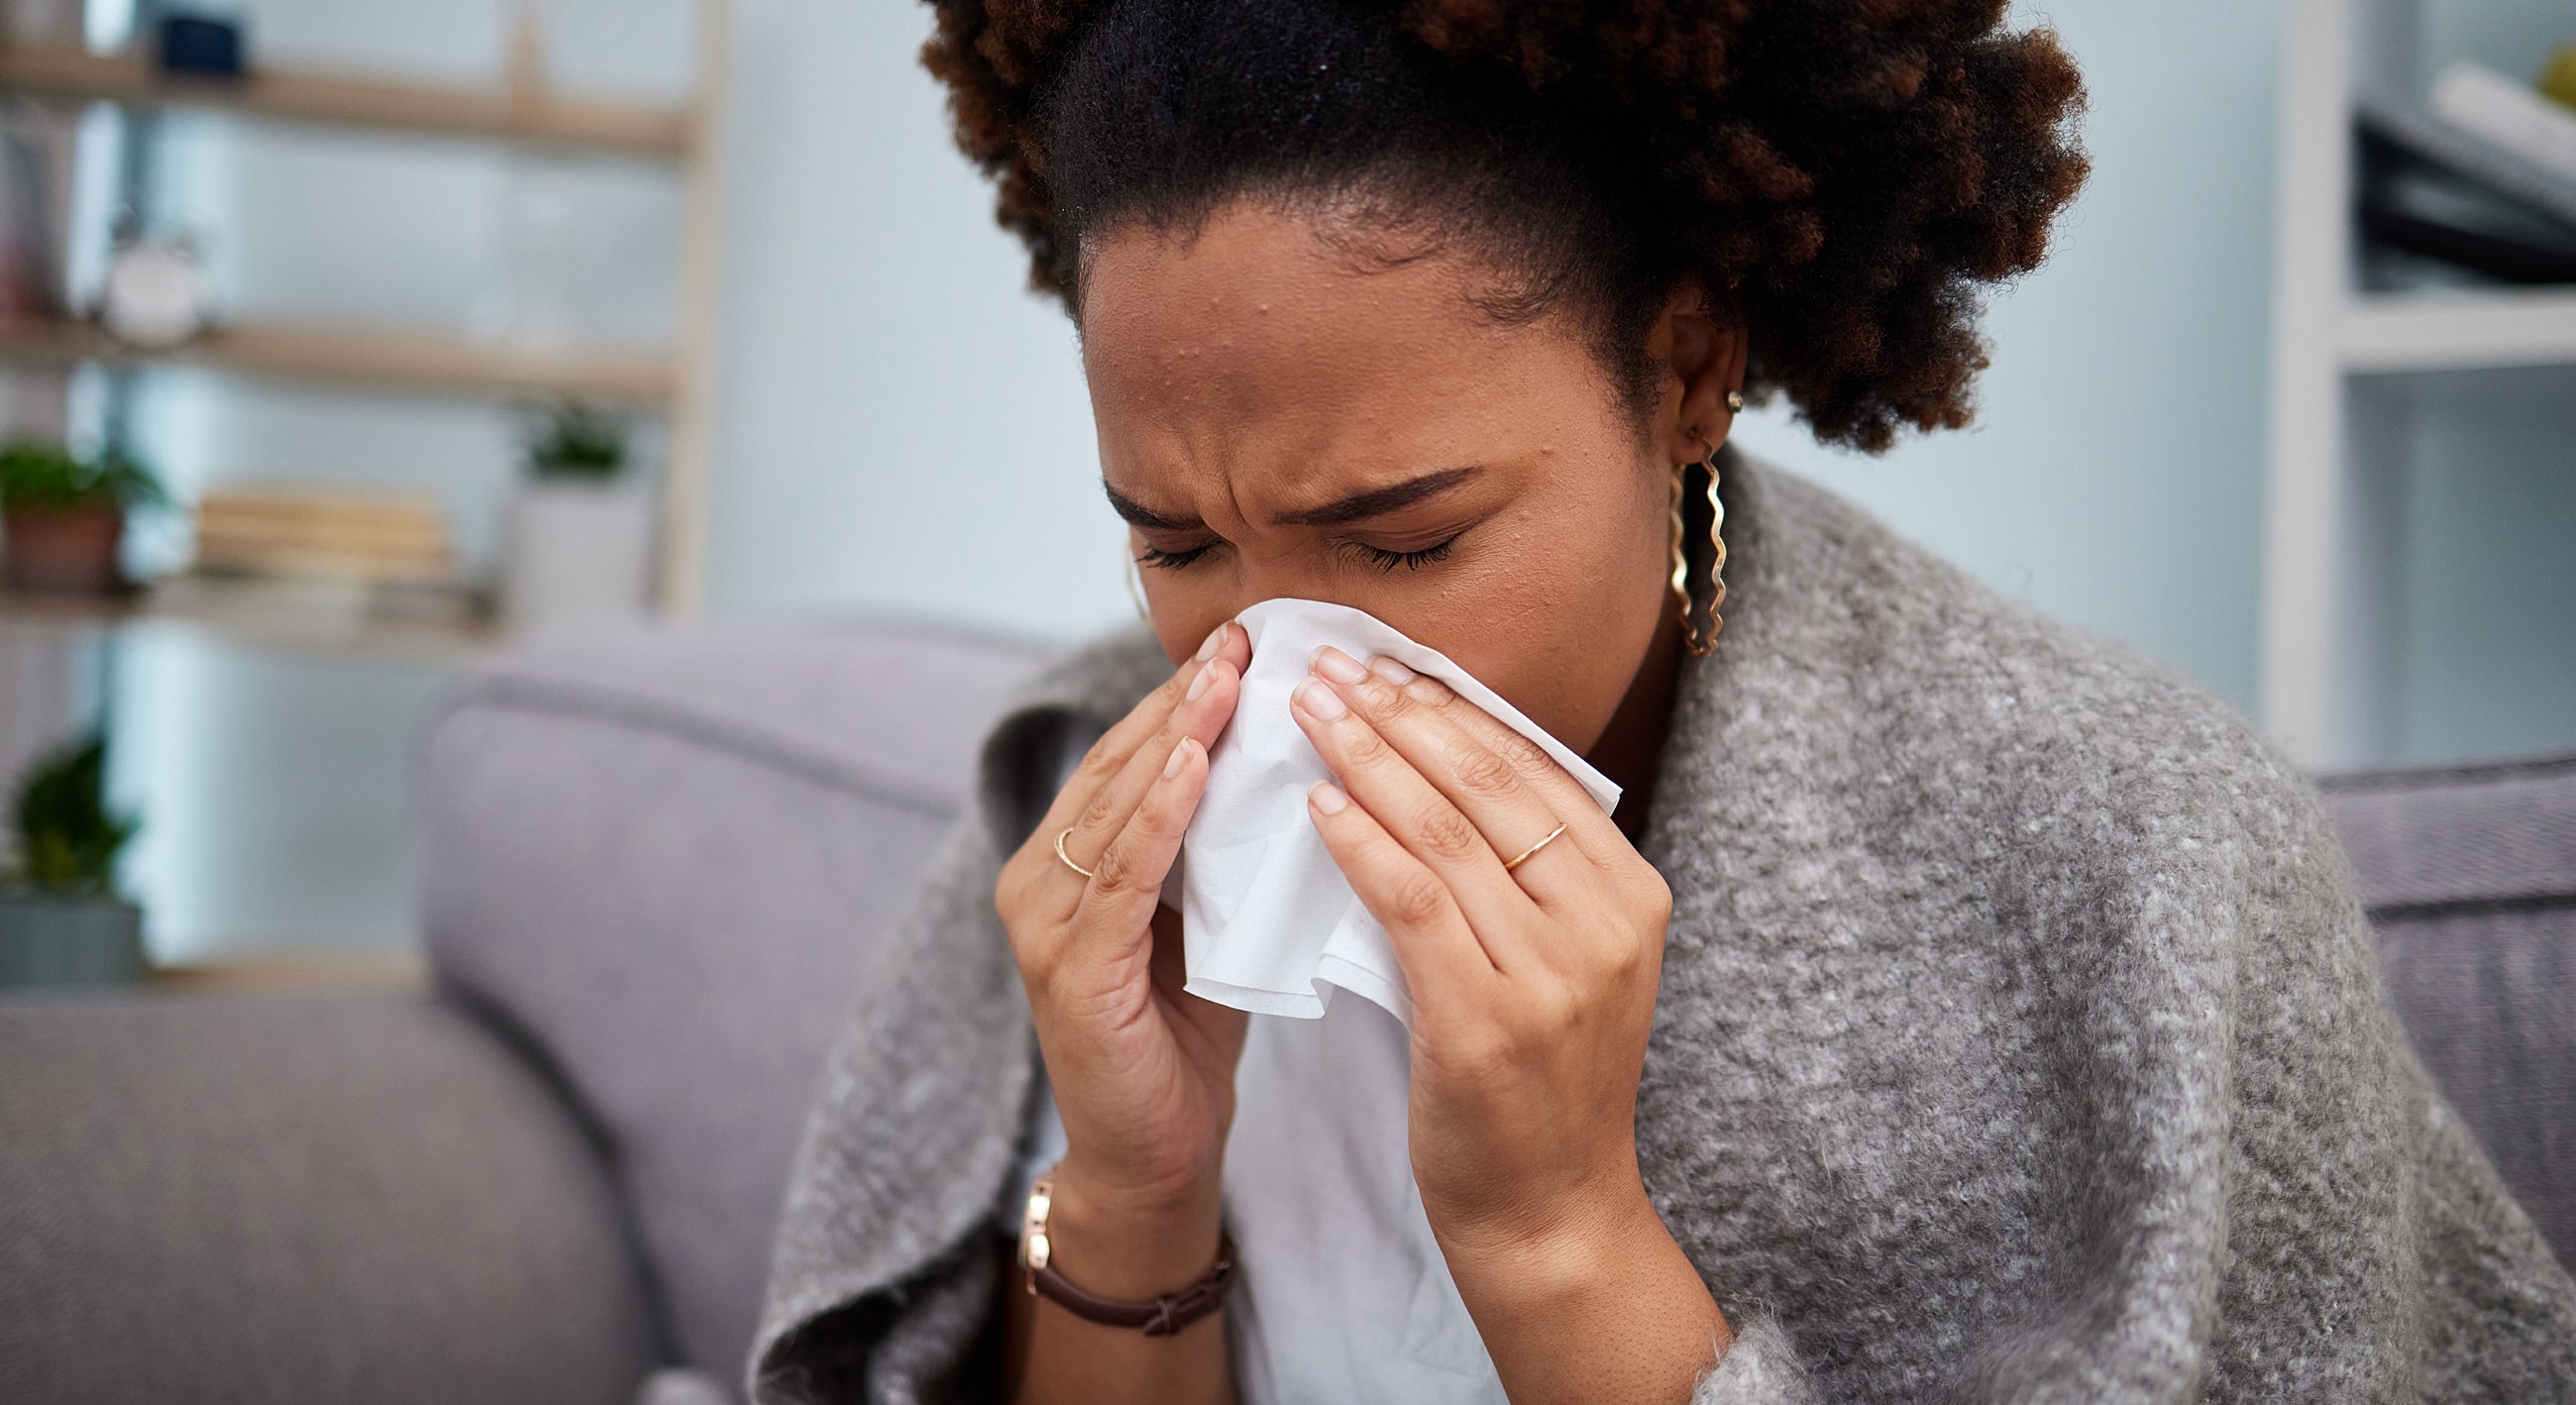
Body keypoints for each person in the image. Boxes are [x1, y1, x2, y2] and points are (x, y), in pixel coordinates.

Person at [753, 2, 2576, 1401]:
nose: (1283, 671)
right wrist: (1133, 1184)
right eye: (1175, 543)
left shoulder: (2134, 851)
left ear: (1688, 370)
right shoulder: (1071, 782)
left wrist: (1560, 1240)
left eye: (1404, 539)